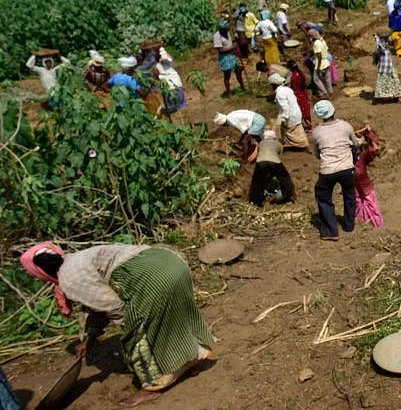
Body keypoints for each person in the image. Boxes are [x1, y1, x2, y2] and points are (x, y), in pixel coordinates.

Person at [20, 242, 214, 408]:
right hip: (171, 262)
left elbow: (111, 306)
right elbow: (96, 307)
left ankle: (153, 386)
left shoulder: (69, 279)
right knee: (175, 317)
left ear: (39, 273)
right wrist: (90, 340)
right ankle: (193, 359)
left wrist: (132, 325)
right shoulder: (78, 259)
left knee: (136, 338)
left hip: (152, 277)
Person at [311, 100, 362, 240]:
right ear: (333, 111)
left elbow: (317, 153)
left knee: (324, 198)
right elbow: (356, 143)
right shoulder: (345, 126)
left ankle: (330, 231)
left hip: (327, 170)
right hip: (347, 168)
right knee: (349, 196)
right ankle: (349, 225)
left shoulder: (316, 132)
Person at [248, 129, 295, 206]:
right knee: (285, 179)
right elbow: (279, 158)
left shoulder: (260, 143)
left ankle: (255, 201)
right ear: (274, 137)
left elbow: (259, 155)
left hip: (260, 162)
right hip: (275, 161)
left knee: (257, 182)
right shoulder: (279, 144)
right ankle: (287, 197)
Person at [354, 124, 384, 228]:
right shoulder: (366, 154)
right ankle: (377, 224)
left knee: (358, 200)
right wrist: (369, 132)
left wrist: (363, 131)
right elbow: (376, 146)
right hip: (363, 179)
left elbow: (354, 135)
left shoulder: (350, 150)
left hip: (352, 178)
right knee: (370, 200)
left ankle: (361, 220)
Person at [268, 73, 308, 149]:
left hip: (290, 116)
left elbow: (285, 108)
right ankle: (298, 144)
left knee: (287, 130)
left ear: (274, 84)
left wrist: (283, 119)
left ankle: (299, 144)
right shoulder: (287, 89)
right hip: (297, 113)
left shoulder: (279, 93)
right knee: (296, 130)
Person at [213, 21, 246, 97]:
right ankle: (228, 92)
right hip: (225, 58)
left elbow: (232, 42)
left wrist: (236, 48)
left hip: (232, 55)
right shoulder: (217, 36)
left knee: (238, 70)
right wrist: (232, 47)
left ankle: (242, 86)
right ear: (222, 30)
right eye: (225, 30)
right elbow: (220, 50)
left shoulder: (228, 32)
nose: (227, 31)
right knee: (227, 75)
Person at [372, 33, 401, 104]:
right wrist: (376, 37)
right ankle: (378, 98)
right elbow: (379, 44)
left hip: (390, 68)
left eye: (387, 41)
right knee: (383, 83)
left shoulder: (387, 49)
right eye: (385, 41)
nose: (387, 43)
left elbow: (395, 48)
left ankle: (398, 96)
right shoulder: (381, 49)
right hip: (384, 69)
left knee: (395, 81)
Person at [155, 47, 186, 119]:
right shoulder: (169, 65)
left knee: (172, 111)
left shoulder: (157, 66)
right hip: (178, 86)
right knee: (181, 108)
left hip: (168, 89)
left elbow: (155, 76)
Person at [287, 59, 312, 131]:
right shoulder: (300, 73)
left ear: (290, 68)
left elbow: (293, 87)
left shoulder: (294, 76)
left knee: (302, 111)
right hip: (303, 93)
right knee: (306, 109)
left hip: (298, 95)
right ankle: (309, 125)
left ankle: (307, 126)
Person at [308, 28, 332, 98]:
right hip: (326, 62)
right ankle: (330, 91)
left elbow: (319, 55)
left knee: (316, 79)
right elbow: (326, 50)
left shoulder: (316, 43)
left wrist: (318, 67)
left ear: (312, 36)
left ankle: (325, 93)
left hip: (320, 63)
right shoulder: (322, 40)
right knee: (327, 78)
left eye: (309, 36)